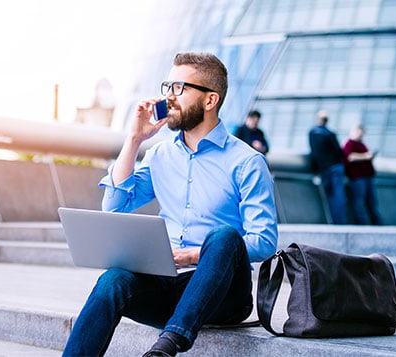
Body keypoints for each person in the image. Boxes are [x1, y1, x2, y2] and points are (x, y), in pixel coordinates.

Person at [62, 52, 278, 357]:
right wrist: (135, 139)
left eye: (180, 88)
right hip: (169, 287)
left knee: (224, 236)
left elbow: (264, 241)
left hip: (224, 294)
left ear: (210, 100)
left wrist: (193, 255)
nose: (169, 98)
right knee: (113, 280)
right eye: (168, 87)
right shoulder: (160, 155)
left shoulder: (247, 162)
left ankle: (167, 346)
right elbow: (114, 207)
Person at [308, 110, 348, 224]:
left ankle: (334, 221)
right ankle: (340, 222)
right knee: (338, 196)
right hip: (335, 167)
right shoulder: (330, 133)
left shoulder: (313, 132)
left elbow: (314, 151)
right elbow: (339, 152)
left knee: (329, 196)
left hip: (324, 168)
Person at [342, 124, 382, 225]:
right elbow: (350, 157)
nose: (361, 136)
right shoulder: (349, 144)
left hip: (367, 177)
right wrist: (366, 156)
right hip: (357, 178)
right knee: (359, 202)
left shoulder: (362, 145)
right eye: (360, 134)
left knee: (371, 202)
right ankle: (361, 223)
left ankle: (375, 223)